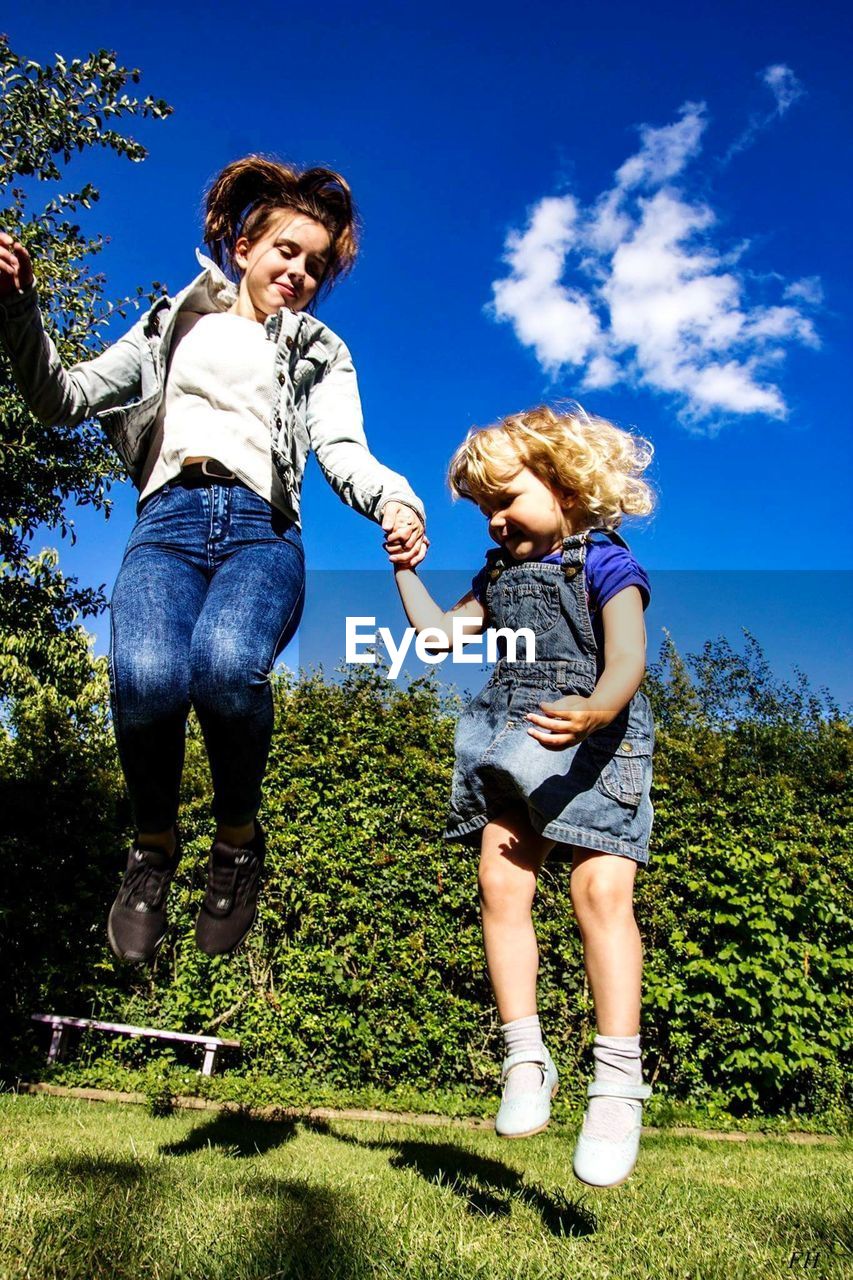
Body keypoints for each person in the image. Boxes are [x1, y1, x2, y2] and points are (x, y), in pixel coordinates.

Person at [0, 156, 426, 964]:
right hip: (166, 523)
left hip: (261, 532)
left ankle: (235, 843)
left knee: (227, 665)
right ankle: (153, 850)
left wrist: (394, 501)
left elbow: (341, 448)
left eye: (317, 265)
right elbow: (62, 399)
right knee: (147, 680)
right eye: (287, 252)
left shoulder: (319, 350)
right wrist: (17, 306)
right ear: (242, 246)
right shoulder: (171, 322)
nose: (300, 273)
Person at [391, 404, 654, 1188]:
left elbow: (628, 656)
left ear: (565, 485)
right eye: (482, 509)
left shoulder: (605, 561)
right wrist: (404, 568)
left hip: (596, 738)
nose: (495, 520)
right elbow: (437, 637)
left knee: (598, 890)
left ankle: (614, 1083)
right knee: (499, 882)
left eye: (506, 500)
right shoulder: (497, 576)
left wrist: (599, 708)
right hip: (512, 736)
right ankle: (524, 1058)